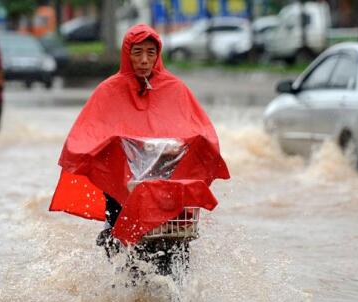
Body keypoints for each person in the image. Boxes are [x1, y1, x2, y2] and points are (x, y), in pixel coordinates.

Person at [49, 24, 229, 261]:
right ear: (127, 54)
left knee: (175, 256)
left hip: (168, 190)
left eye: (150, 53)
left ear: (158, 55)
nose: (144, 60)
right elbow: (84, 138)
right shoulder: (108, 91)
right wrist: (115, 148)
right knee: (123, 252)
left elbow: (201, 132)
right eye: (137, 53)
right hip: (122, 186)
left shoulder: (175, 89)